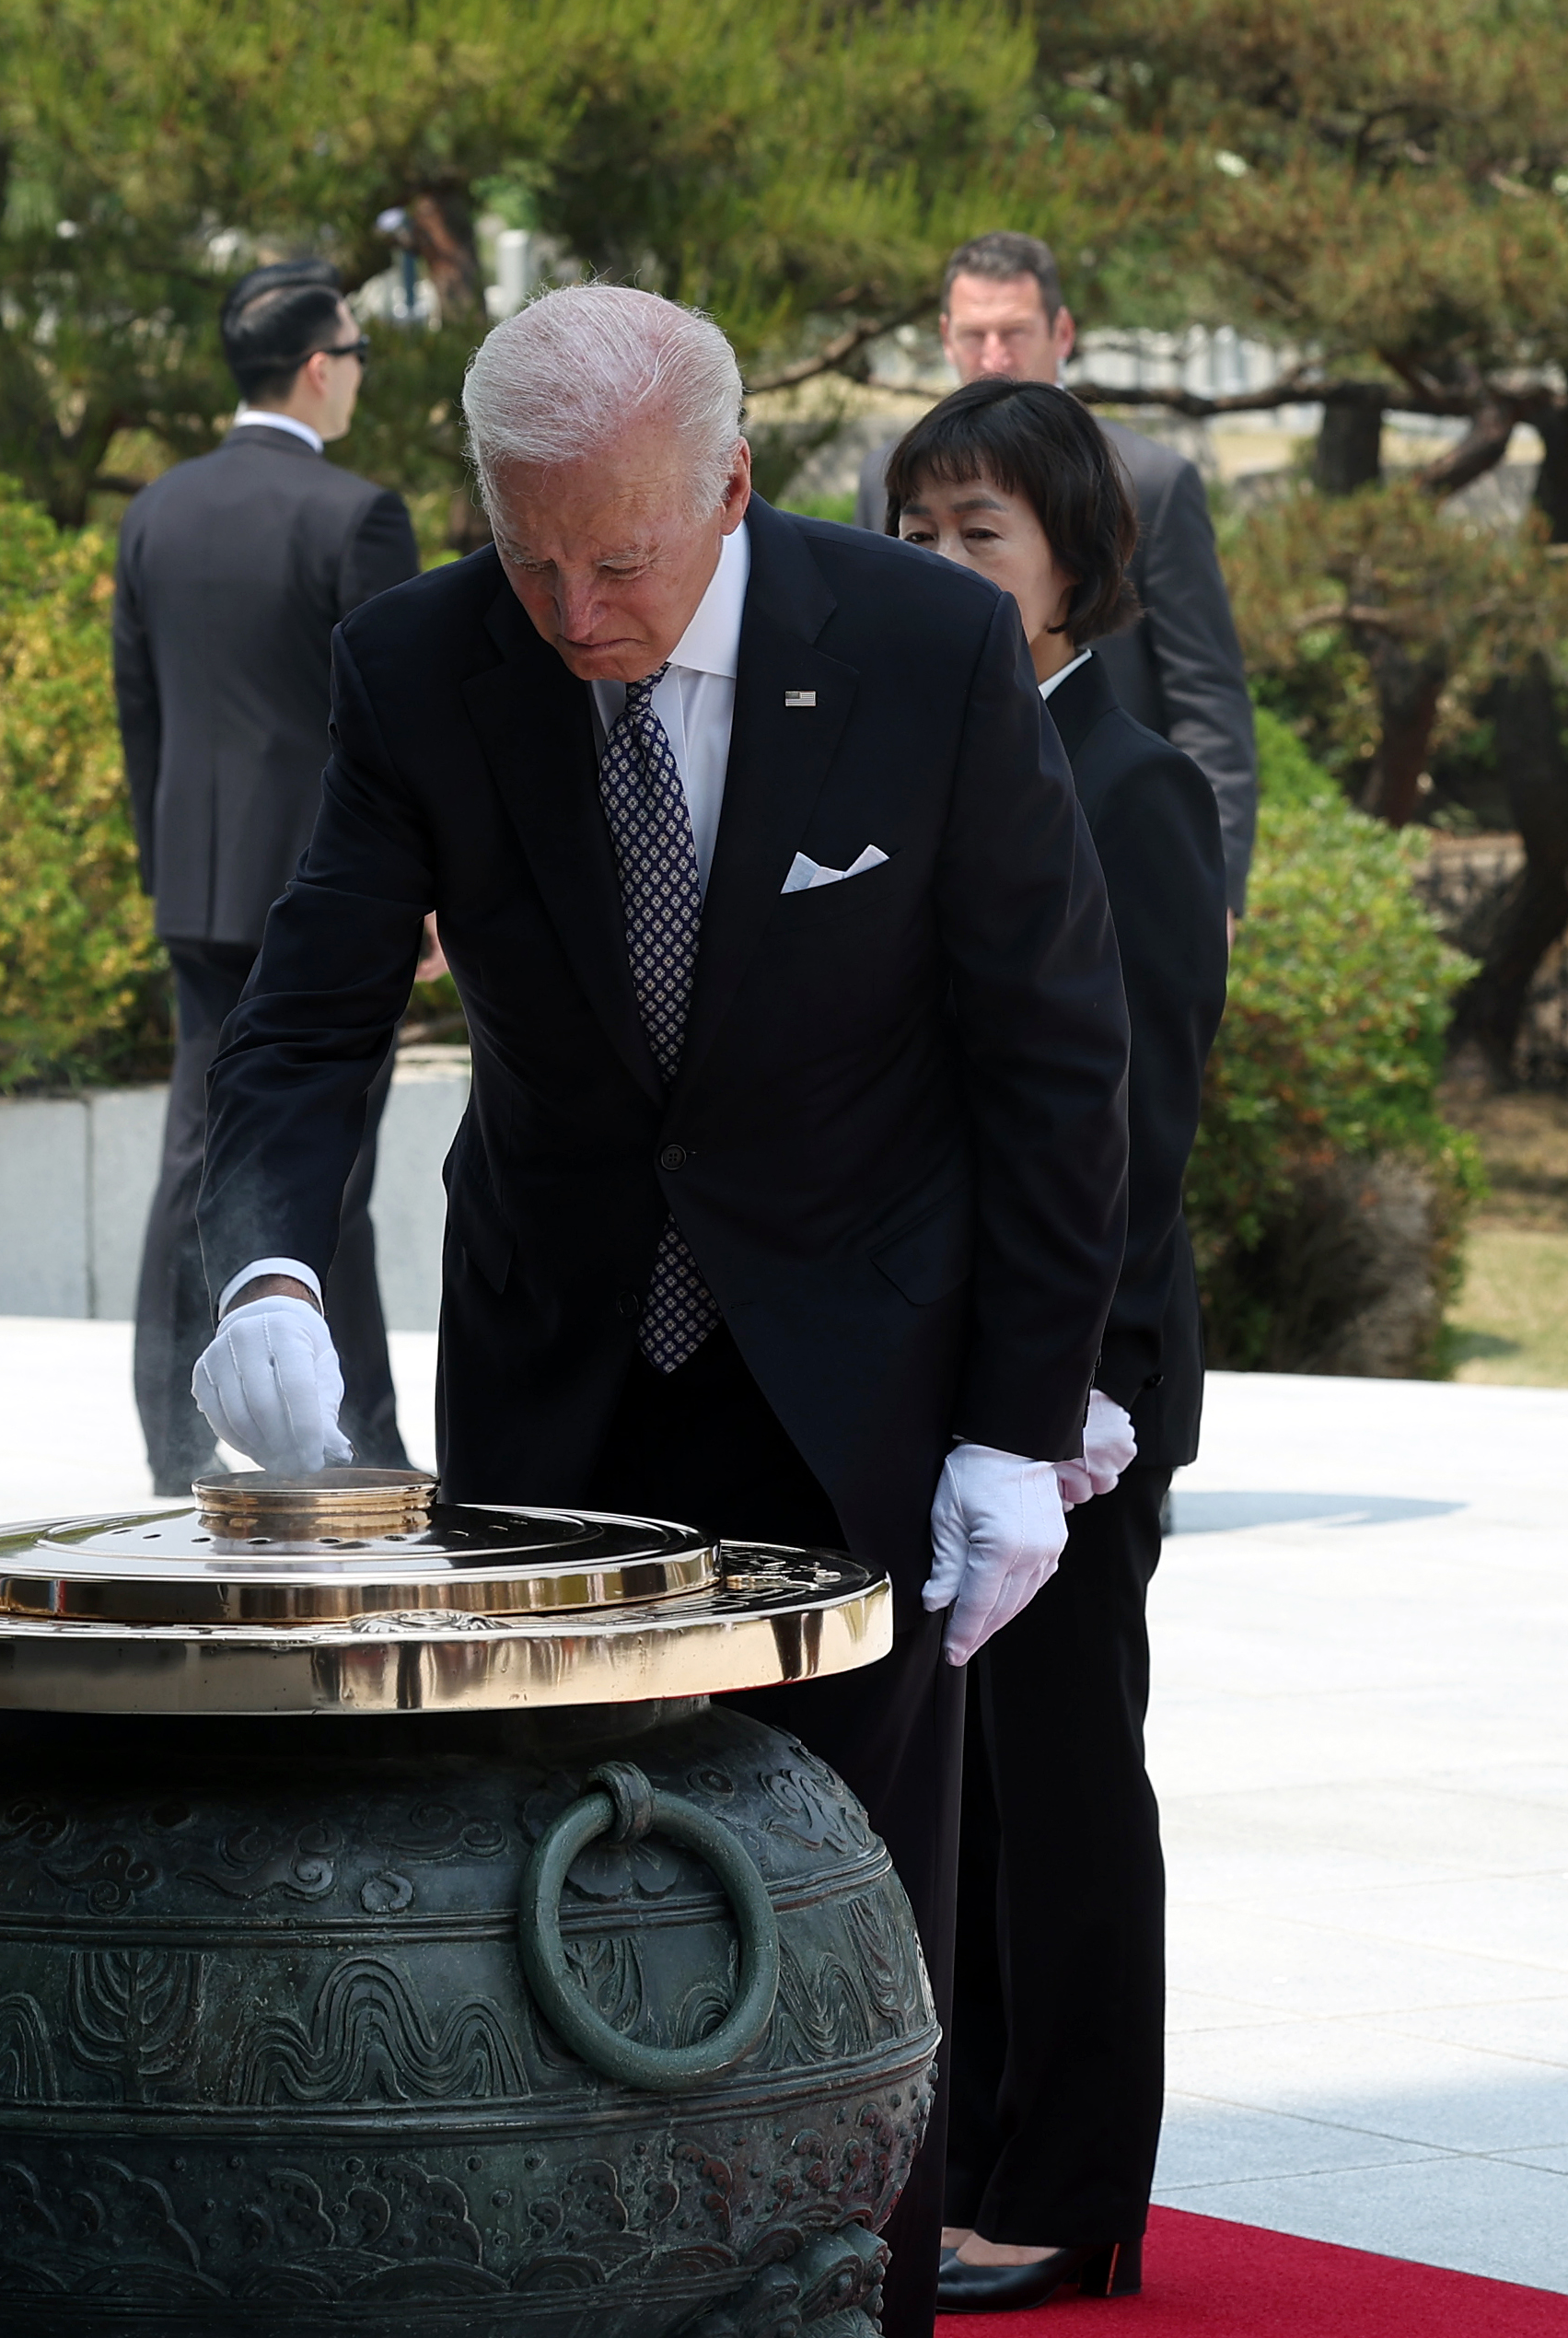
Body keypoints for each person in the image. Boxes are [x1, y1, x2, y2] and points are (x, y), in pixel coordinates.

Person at [188, 284, 1133, 2338]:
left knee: (840, 1930)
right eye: (528, 553)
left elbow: (1053, 1056)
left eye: (616, 555)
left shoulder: (918, 650)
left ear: (724, 485)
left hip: (856, 1381)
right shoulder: (422, 665)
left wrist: (1015, 1420)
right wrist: (261, 1253)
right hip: (561, 1377)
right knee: (537, 1914)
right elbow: (304, 1020)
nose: (572, 604)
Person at [888, 381, 1229, 2312]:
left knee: (1066, 1788)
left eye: (979, 534)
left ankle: (1068, 2188)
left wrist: (1061, 1395)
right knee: (967, 1793)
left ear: (1073, 564)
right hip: (935, 1366)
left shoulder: (1127, 784)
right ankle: (974, 2148)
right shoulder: (929, 765)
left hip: (1076, 1391)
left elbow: (1136, 1127)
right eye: (916, 532)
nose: (939, 567)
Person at [110, 256, 425, 1490]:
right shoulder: (356, 515)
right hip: (326, 901)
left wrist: (169, 871)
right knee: (323, 1170)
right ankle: (367, 1449)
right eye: (353, 354)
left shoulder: (155, 510)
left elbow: (140, 716)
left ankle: (169, 1440)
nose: (354, 376)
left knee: (193, 1155)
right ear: (314, 367)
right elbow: (395, 733)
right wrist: (424, 887)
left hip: (196, 891)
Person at [855, 232, 1257, 918]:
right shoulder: (885, 473)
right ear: (945, 337)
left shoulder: (1150, 480)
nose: (992, 357)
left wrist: (1211, 889)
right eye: (974, 335)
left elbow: (1205, 695)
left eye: (1012, 333)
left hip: (1105, 833)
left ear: (1061, 331)